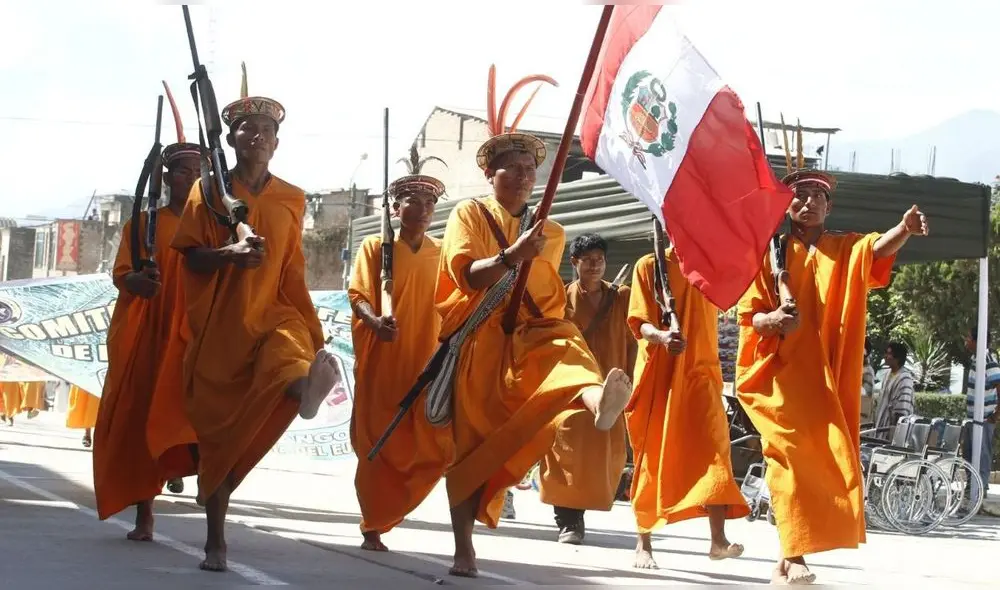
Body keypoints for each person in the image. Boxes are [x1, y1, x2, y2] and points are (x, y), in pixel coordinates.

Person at [435, 65, 631, 577]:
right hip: (480, 337)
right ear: (491, 173)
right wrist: (512, 256)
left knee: (566, 340)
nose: (524, 177)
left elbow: (545, 300)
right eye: (513, 168)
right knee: (473, 446)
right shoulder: (469, 215)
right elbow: (467, 277)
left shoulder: (552, 231)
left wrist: (532, 263)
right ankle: (463, 547)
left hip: (530, 334)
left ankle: (597, 400)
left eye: (530, 169)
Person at [170, 63, 339, 572]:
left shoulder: (293, 198)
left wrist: (310, 325)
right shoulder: (207, 191)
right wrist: (231, 255)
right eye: (248, 129)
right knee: (221, 437)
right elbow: (191, 258)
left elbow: (293, 267)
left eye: (267, 130)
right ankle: (215, 541)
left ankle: (306, 392)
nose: (258, 136)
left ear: (277, 143)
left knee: (290, 356)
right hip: (222, 326)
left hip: (275, 311)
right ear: (231, 139)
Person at [735, 162, 928, 584]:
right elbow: (750, 317)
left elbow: (876, 250)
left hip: (824, 381)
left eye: (818, 197)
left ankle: (786, 558)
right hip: (778, 379)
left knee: (820, 464)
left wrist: (904, 229)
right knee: (789, 459)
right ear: (786, 206)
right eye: (800, 197)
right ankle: (796, 555)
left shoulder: (844, 248)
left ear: (829, 206)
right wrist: (774, 320)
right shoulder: (768, 252)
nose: (809, 203)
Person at [93, 81, 202, 541]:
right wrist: (141, 280)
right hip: (149, 332)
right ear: (167, 177)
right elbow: (123, 275)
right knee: (142, 415)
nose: (190, 178)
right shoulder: (143, 223)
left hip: (193, 332)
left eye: (197, 172)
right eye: (182, 171)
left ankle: (197, 477)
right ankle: (145, 513)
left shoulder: (211, 225)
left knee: (197, 410)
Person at [349, 148, 454, 552]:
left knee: (432, 442)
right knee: (377, 440)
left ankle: (397, 508)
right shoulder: (377, 247)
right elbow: (358, 294)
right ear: (396, 208)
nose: (424, 209)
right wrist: (375, 322)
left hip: (426, 362)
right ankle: (372, 523)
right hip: (384, 361)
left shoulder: (442, 251)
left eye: (430, 203)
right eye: (415, 201)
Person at [627, 246, 747, 569]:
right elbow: (639, 321)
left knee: (715, 450)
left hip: (702, 373)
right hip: (659, 374)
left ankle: (718, 539)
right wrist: (662, 337)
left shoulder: (712, 265)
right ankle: (643, 542)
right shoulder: (650, 265)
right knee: (652, 456)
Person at [537, 233, 634, 544]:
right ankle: (568, 521)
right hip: (571, 388)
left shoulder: (621, 297)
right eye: (588, 260)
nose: (595, 266)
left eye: (599, 260)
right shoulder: (561, 299)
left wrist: (632, 380)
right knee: (564, 452)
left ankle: (581, 512)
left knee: (602, 455)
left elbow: (633, 340)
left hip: (612, 387)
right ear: (574, 262)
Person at [963, 326, 999, 495]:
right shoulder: (975, 359)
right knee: (969, 454)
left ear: (977, 341)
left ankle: (980, 489)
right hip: (972, 418)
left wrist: (996, 415)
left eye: (968, 337)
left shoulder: (988, 361)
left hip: (984, 418)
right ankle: (972, 487)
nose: (966, 340)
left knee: (982, 454)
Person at [874, 341, 915, 437]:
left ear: (898, 358)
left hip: (894, 431)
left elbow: (903, 408)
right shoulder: (887, 375)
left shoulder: (905, 378)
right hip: (881, 427)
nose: (885, 356)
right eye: (886, 353)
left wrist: (896, 432)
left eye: (889, 354)